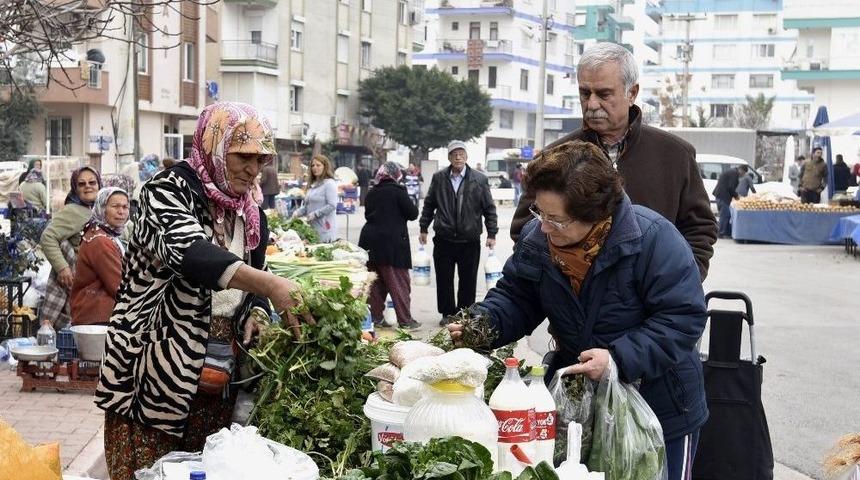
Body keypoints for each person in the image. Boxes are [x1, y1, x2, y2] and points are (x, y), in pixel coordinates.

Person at [448, 140, 707, 480]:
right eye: (540, 213)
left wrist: (617, 359)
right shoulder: (538, 240)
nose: (543, 227)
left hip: (661, 407)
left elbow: (682, 320)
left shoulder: (654, 240)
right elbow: (516, 296)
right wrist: (484, 323)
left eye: (556, 220)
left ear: (596, 214)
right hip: (581, 407)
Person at [94, 102, 313, 480]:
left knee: (206, 467)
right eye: (243, 156)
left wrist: (259, 310)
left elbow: (257, 273)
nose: (253, 169)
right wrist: (271, 286)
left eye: (261, 160)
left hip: (217, 376)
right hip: (156, 372)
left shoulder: (250, 211)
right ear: (215, 144)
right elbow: (190, 252)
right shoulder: (166, 192)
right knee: (148, 471)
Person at [510, 42, 717, 280]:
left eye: (604, 93)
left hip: (654, 303)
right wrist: (564, 281)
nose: (592, 104)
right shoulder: (555, 156)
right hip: (576, 308)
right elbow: (524, 230)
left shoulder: (675, 154)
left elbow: (700, 229)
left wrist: (680, 280)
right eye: (585, 93)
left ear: (632, 93)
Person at [419, 140, 498, 325]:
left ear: (467, 156)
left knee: (468, 280)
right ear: (449, 157)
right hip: (444, 238)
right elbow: (430, 204)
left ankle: (464, 314)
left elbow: (489, 208)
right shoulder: (439, 178)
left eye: (461, 153)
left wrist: (492, 233)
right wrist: (423, 227)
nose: (458, 157)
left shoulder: (479, 179)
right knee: (444, 278)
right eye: (454, 154)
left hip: (469, 240)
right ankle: (447, 313)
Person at [358, 162, 421, 329]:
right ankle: (405, 320)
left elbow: (367, 213)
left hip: (369, 242)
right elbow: (412, 213)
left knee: (376, 284)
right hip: (392, 244)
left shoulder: (372, 192)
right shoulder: (398, 191)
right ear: (396, 174)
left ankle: (375, 318)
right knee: (398, 283)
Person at [39, 166, 102, 329]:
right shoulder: (74, 211)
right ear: (75, 189)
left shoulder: (96, 210)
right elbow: (48, 237)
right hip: (77, 283)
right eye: (81, 184)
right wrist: (62, 268)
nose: (88, 186)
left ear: (99, 185)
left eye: (92, 182)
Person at [70, 188, 130, 326]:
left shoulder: (102, 233)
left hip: (94, 316)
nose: (121, 212)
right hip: (97, 319)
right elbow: (118, 286)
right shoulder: (101, 241)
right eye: (115, 206)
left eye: (125, 207)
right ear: (102, 208)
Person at [292, 155, 338, 242]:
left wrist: (315, 214)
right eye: (313, 165)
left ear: (325, 166)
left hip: (324, 228)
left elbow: (332, 205)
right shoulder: (312, 185)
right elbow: (307, 205)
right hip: (312, 228)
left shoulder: (329, 184)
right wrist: (298, 212)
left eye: (318, 165)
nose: (315, 168)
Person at [712, 165, 746, 238]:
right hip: (723, 196)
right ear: (741, 170)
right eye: (743, 174)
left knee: (726, 215)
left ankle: (726, 233)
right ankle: (720, 233)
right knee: (725, 215)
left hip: (720, 195)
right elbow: (730, 187)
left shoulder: (731, 172)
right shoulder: (734, 174)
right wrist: (736, 196)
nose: (742, 176)